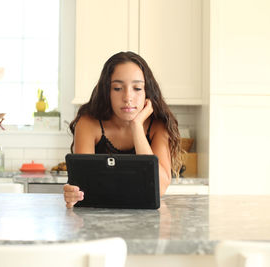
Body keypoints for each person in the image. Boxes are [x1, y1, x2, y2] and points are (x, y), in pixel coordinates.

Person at [63, 51, 182, 208]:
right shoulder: (88, 123)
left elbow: (159, 188)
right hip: (99, 219)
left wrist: (137, 127)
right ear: (107, 92)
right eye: (118, 88)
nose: (127, 97)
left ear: (147, 92)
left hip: (146, 221)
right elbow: (83, 188)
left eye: (137, 88)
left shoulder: (158, 125)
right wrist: (73, 192)